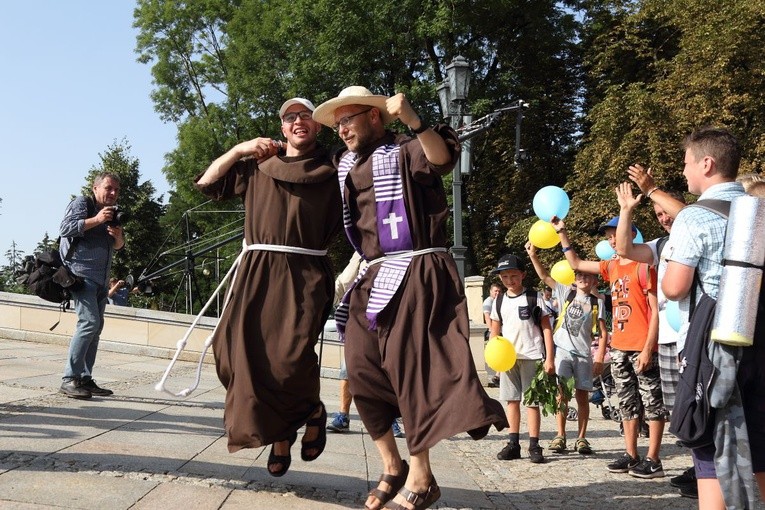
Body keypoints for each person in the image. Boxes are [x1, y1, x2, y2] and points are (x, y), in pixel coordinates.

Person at [312, 86, 507, 510]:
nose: (342, 128)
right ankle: (392, 464)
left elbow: (441, 158)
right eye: (338, 121)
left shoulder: (405, 149)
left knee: (410, 370)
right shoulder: (344, 164)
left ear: (376, 117)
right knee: (360, 371)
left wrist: (416, 121)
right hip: (374, 275)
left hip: (417, 270)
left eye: (349, 118)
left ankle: (422, 476)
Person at [195, 97, 342, 477]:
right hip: (256, 270)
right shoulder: (257, 165)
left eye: (306, 116)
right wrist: (240, 148)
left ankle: (307, 413)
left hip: (304, 271)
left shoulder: (334, 167)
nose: (298, 122)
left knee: (289, 358)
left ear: (317, 126)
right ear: (282, 127)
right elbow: (207, 182)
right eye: (290, 117)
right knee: (231, 353)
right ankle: (291, 425)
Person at [662, 127, 764, 508]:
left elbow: (674, 288)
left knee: (707, 442)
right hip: (759, 341)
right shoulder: (760, 210)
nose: (684, 171)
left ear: (707, 163)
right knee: (760, 442)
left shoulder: (694, 217)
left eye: (687, 163)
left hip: (714, 348)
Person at [553, 214, 667, 479]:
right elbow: (576, 263)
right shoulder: (611, 267)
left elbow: (656, 310)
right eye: (608, 237)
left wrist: (649, 348)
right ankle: (631, 454)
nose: (612, 240)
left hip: (642, 345)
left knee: (652, 402)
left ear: (631, 235)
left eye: (615, 235)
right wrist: (561, 232)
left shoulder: (645, 266)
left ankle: (653, 458)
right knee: (626, 402)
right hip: (620, 346)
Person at [613, 175, 695, 496]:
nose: (663, 218)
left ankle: (706, 468)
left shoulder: (694, 229)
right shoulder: (662, 246)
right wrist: (626, 210)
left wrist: (652, 191)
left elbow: (688, 215)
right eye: (658, 215)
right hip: (668, 339)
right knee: (679, 409)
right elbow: (623, 247)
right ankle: (696, 464)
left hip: (692, 333)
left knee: (695, 404)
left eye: (666, 212)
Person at [525, 242, 607, 456]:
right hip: (562, 351)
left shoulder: (598, 302)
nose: (583, 279)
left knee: (583, 397)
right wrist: (533, 255)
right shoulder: (564, 293)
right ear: (574, 278)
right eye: (579, 275)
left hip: (583, 355)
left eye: (588, 276)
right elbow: (544, 277)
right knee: (562, 395)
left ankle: (581, 438)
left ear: (594, 280)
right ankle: (560, 435)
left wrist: (599, 357)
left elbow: (603, 332)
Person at [58, 173, 125, 399]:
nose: (113, 193)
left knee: (96, 328)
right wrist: (96, 219)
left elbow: (117, 247)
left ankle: (85, 378)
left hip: (101, 280)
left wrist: (118, 238)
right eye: (108, 188)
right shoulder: (82, 204)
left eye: (116, 190)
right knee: (89, 323)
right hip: (81, 275)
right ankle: (69, 379)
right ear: (95, 188)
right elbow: (65, 229)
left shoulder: (113, 214)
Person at [489, 253, 555, 465]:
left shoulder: (534, 298)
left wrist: (549, 358)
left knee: (532, 402)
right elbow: (495, 333)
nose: (510, 280)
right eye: (505, 276)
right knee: (511, 401)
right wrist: (495, 359)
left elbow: (546, 329)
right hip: (509, 359)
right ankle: (513, 443)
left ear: (523, 275)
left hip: (532, 356)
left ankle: (534, 444)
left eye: (514, 275)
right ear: (500, 278)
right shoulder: (498, 301)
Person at [483, 282, 503, 388]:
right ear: (490, 291)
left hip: (502, 332)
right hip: (495, 333)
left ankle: (498, 375)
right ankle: (498, 375)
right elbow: (487, 317)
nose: (497, 293)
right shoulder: (488, 302)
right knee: (499, 354)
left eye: (499, 291)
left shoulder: (500, 300)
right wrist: (492, 331)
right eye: (495, 291)